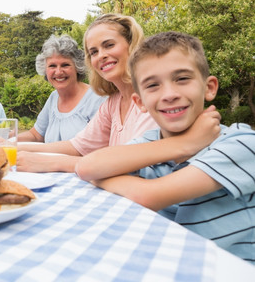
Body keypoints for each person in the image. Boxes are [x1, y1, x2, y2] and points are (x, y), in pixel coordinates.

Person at [75, 31, 255, 263]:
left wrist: (102, 177)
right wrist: (184, 144)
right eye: (152, 85)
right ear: (139, 103)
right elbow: (87, 166)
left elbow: (147, 196)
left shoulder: (241, 142)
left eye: (182, 79)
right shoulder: (153, 141)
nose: (169, 94)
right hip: (170, 262)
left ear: (209, 87)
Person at [17, 14, 157, 172]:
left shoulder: (152, 96)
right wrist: (9, 146)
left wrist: (52, 162)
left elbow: (132, 166)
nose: (101, 55)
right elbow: (76, 146)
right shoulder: (113, 102)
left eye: (109, 45)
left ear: (132, 45)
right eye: (94, 52)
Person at [18, 35, 106, 143]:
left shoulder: (97, 98)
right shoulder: (53, 97)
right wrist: (7, 139)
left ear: (77, 67)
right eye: (52, 66)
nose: (58, 72)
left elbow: (93, 147)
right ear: (45, 70)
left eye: (65, 65)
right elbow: (36, 135)